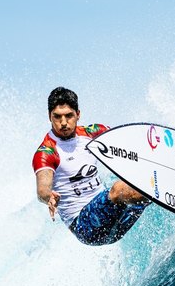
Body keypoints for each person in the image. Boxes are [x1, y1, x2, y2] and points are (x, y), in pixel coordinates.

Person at [33, 87, 151, 245]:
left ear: (78, 114)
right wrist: (49, 197)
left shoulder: (92, 133)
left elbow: (128, 142)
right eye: (57, 117)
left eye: (69, 116)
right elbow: (42, 188)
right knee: (118, 190)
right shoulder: (47, 151)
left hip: (114, 224)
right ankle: (162, 186)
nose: (63, 122)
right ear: (49, 116)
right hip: (85, 227)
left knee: (145, 193)